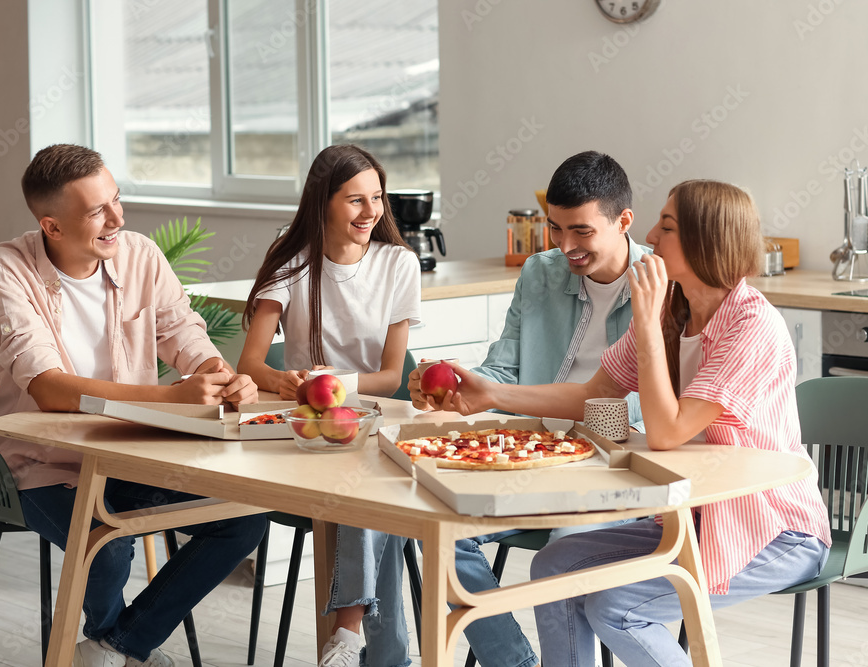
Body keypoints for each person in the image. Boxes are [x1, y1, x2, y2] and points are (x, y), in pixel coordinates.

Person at [432, 180, 833, 667]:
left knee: (616, 605)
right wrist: (491, 394)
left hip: (773, 528)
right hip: (692, 516)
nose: (650, 234)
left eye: (666, 226)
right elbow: (593, 394)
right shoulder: (673, 310)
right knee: (554, 566)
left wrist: (643, 323)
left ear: (706, 240)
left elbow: (667, 433)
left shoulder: (752, 326)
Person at [0, 144, 268, 667]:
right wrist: (170, 396)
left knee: (242, 518)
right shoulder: (4, 271)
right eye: (97, 211)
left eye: (116, 199)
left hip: (133, 454)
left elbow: (182, 332)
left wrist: (213, 373)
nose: (118, 218)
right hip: (45, 465)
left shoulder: (139, 254)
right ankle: (116, 645)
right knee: (107, 544)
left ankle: (114, 646)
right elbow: (49, 387)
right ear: (53, 226)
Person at [406, 150, 651, 667]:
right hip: (530, 452)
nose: (565, 247)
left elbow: (637, 414)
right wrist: (459, 389)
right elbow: (503, 370)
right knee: (440, 533)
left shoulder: (656, 284)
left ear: (623, 220)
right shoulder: (540, 273)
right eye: (555, 228)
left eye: (581, 232)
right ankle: (515, 662)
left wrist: (519, 405)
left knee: (564, 553)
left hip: (612, 466)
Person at [238, 144, 421, 667]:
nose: (370, 213)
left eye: (377, 199)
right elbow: (250, 363)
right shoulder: (291, 260)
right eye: (355, 200)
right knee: (376, 484)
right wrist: (286, 380)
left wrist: (329, 381)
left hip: (371, 420)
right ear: (322, 203)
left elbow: (390, 378)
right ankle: (375, 650)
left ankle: (349, 631)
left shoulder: (397, 264)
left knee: (373, 482)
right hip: (311, 431)